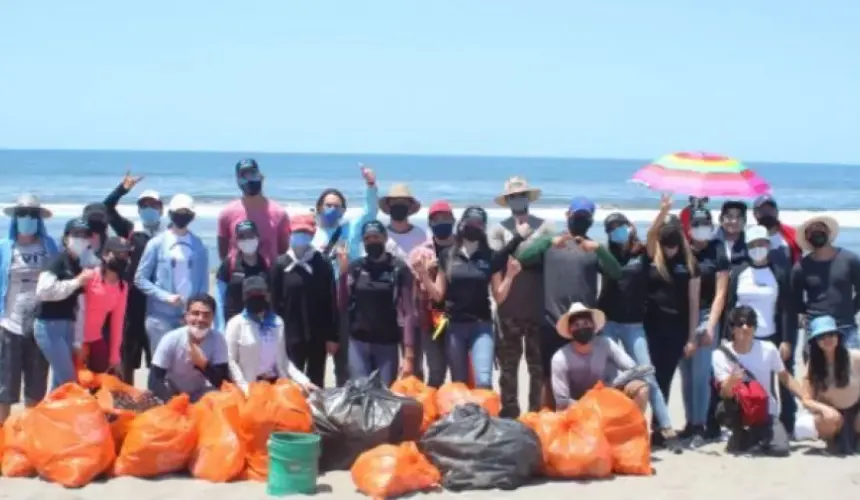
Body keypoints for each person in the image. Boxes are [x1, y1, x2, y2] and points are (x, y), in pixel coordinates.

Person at [517, 197, 623, 409]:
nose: (580, 220)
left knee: (587, 379)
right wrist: (547, 241)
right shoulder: (552, 243)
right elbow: (523, 257)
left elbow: (616, 272)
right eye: (577, 216)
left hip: (583, 326)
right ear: (567, 216)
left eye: (584, 217)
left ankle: (582, 423)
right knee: (547, 378)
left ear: (591, 220)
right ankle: (546, 424)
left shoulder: (592, 248)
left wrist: (600, 248)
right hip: (552, 322)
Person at [415, 206, 528, 389]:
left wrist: (510, 276)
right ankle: (464, 418)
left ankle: (484, 416)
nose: (474, 227)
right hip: (454, 327)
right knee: (459, 383)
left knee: (483, 381)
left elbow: (498, 297)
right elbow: (438, 294)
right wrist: (424, 275)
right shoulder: (447, 255)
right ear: (461, 224)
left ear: (483, 228)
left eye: (479, 224)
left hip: (481, 326)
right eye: (470, 222)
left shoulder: (490, 256)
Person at [598, 212, 680, 450]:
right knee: (610, 377)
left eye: (621, 227)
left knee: (648, 374)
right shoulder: (606, 255)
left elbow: (654, 233)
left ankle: (666, 428)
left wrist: (663, 211)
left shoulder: (643, 251)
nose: (618, 232)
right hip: (609, 322)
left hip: (634, 324)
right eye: (612, 229)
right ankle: (611, 425)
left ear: (630, 227)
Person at [713, 306, 827, 456]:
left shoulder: (768, 348)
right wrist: (732, 381)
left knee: (781, 449)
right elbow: (724, 393)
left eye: (750, 323)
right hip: (739, 410)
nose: (745, 327)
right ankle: (740, 433)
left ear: (755, 328)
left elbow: (785, 378)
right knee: (723, 409)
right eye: (739, 324)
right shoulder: (720, 354)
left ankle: (751, 438)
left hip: (765, 412)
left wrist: (806, 398)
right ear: (732, 328)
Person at [489, 176, 554, 418]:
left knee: (537, 367)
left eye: (522, 196)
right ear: (507, 201)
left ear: (529, 198)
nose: (518, 200)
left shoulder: (545, 226)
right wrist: (519, 240)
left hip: (537, 310)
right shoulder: (497, 229)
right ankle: (510, 412)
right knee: (508, 367)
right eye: (513, 197)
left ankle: (535, 412)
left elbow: (550, 257)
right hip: (509, 311)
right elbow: (495, 262)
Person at [724, 225, 798, 434]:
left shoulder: (780, 271)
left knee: (783, 381)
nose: (758, 248)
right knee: (743, 382)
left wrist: (787, 339)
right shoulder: (739, 272)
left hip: (772, 336)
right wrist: (726, 338)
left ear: (768, 245)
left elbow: (787, 309)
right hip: (742, 337)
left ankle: (787, 423)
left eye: (761, 244)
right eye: (753, 245)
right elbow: (730, 307)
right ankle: (741, 423)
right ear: (747, 246)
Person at [311, 165, 378, 386]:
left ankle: (346, 404)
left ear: (343, 210)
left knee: (345, 361)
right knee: (315, 360)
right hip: (318, 302)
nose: (332, 209)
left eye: (337, 206)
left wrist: (370, 185)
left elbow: (370, 212)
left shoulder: (350, 229)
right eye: (328, 205)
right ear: (319, 207)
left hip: (345, 300)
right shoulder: (310, 232)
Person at [642, 195, 701, 434]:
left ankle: (659, 427)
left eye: (673, 245)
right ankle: (653, 425)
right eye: (665, 244)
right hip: (651, 327)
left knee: (665, 377)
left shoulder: (689, 264)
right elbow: (649, 235)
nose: (669, 249)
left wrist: (691, 337)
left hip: (676, 329)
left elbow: (694, 303)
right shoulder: (653, 257)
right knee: (650, 378)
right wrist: (663, 212)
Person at [101, 171, 164, 383]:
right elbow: (106, 209)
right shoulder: (130, 230)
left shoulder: (169, 234)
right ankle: (127, 397)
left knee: (157, 354)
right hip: (131, 301)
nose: (149, 209)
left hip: (158, 302)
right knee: (128, 351)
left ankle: (156, 398)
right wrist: (122, 189)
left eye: (153, 205)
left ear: (161, 208)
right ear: (138, 209)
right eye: (144, 205)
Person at [0, 195, 58, 424]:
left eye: (32, 214)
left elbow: (59, 278)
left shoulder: (49, 246)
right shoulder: (5, 248)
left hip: (40, 327)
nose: (27, 218)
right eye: (22, 213)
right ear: (15, 218)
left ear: (39, 219)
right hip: (9, 326)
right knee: (4, 388)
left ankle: (30, 438)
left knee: (36, 387)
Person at [135, 194, 210, 359]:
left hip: (188, 318)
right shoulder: (156, 243)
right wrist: (165, 297)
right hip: (159, 316)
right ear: (170, 213)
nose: (182, 216)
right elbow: (140, 278)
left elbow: (203, 284)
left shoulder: (199, 245)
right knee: (161, 366)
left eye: (186, 212)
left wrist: (194, 312)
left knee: (186, 366)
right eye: (178, 212)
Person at [270, 213, 339, 388]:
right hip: (289, 332)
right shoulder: (280, 264)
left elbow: (330, 302)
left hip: (317, 332)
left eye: (306, 232)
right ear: (289, 233)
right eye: (297, 232)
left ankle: (315, 413)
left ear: (313, 234)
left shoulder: (322, 263)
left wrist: (332, 336)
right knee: (291, 381)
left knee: (316, 380)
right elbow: (274, 302)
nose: (301, 236)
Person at [679, 208, 729, 444]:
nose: (702, 228)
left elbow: (721, 293)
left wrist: (710, 325)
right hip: (681, 316)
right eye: (697, 223)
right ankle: (690, 422)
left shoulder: (717, 248)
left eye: (706, 224)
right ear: (689, 227)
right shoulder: (683, 248)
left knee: (701, 373)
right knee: (686, 374)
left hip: (706, 314)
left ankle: (700, 424)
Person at [345, 220, 416, 387]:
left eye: (376, 237)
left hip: (387, 342)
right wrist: (342, 276)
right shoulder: (355, 268)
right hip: (358, 341)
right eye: (368, 238)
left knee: (385, 394)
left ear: (385, 238)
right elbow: (343, 303)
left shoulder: (398, 268)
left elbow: (408, 312)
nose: (372, 241)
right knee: (361, 391)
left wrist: (409, 354)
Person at [550, 302, 649, 412]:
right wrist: (587, 406)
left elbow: (631, 367)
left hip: (606, 395)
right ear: (569, 330)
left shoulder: (606, 344)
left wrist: (634, 380)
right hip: (577, 406)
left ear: (593, 326)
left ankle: (636, 428)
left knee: (641, 389)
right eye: (576, 325)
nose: (582, 328)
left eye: (586, 323)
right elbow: (562, 400)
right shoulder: (560, 358)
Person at [33, 218, 96, 389]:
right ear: (66, 237)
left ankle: (53, 415)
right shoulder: (57, 261)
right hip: (48, 326)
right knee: (69, 381)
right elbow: (43, 292)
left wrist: (78, 341)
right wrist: (77, 282)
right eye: (76, 234)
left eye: (85, 236)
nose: (80, 239)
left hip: (67, 325)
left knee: (59, 384)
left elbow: (79, 306)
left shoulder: (78, 264)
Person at [225, 276, 316, 393]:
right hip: (250, 387)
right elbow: (231, 362)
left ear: (267, 295)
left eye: (259, 292)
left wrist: (304, 381)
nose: (255, 296)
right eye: (250, 293)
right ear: (244, 296)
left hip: (276, 384)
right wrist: (245, 389)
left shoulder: (277, 322)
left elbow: (283, 361)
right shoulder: (235, 324)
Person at [792, 215, 860, 349]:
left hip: (846, 327)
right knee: (817, 370)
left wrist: (851, 310)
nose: (816, 232)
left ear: (828, 232)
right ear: (807, 238)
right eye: (811, 230)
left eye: (820, 227)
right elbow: (796, 301)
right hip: (816, 329)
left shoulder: (850, 260)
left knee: (852, 369)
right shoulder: (801, 267)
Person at [410, 200, 457, 387]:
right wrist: (427, 273)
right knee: (436, 371)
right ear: (429, 223)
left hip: (459, 317)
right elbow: (417, 289)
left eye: (445, 218)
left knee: (460, 371)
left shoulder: (461, 249)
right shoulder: (420, 252)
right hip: (431, 319)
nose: (441, 222)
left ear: (453, 220)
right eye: (436, 219)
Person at [149, 294, 229, 403]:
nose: (200, 319)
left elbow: (223, 382)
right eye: (195, 314)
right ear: (186, 316)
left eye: (206, 315)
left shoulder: (218, 339)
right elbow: (154, 380)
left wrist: (204, 365)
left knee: (223, 399)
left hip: (199, 394)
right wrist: (175, 403)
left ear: (213, 318)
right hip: (171, 393)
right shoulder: (171, 338)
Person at [802, 315, 860, 454]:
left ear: (838, 337)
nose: (827, 339)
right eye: (821, 336)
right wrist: (824, 409)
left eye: (831, 334)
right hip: (833, 413)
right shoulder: (813, 365)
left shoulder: (855, 356)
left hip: (856, 408)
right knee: (826, 419)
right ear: (816, 341)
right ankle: (832, 439)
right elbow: (806, 399)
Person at [217, 158, 290, 264]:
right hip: (238, 277)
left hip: (269, 277)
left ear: (261, 177)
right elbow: (223, 255)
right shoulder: (226, 214)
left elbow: (283, 252)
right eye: (244, 176)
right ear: (237, 181)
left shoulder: (280, 213)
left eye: (252, 174)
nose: (249, 180)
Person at [76, 237, 130, 374]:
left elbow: (117, 323)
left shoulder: (122, 287)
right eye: (117, 254)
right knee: (74, 385)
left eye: (125, 254)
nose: (122, 257)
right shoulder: (89, 277)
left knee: (103, 381)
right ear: (105, 254)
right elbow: (75, 310)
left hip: (96, 338)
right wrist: (77, 342)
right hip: (76, 338)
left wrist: (114, 356)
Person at [214, 220, 269, 332]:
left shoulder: (266, 265)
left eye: (250, 235)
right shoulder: (229, 264)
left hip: (259, 326)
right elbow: (219, 298)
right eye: (242, 237)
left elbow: (271, 297)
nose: (247, 240)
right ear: (237, 241)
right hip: (232, 325)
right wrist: (220, 326)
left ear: (257, 237)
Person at [752, 195, 801, 265]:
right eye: (763, 210)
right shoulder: (749, 238)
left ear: (777, 212)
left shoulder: (792, 234)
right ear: (755, 214)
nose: (767, 213)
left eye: (770, 210)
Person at [381, 183, 426, 259]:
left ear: (409, 206)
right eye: (394, 202)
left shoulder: (420, 235)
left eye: (403, 202)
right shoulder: (380, 235)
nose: (399, 205)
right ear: (388, 205)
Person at [715, 200, 749, 267]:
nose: (734, 221)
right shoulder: (710, 242)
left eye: (739, 217)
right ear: (721, 219)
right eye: (729, 216)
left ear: (745, 220)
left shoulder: (750, 244)